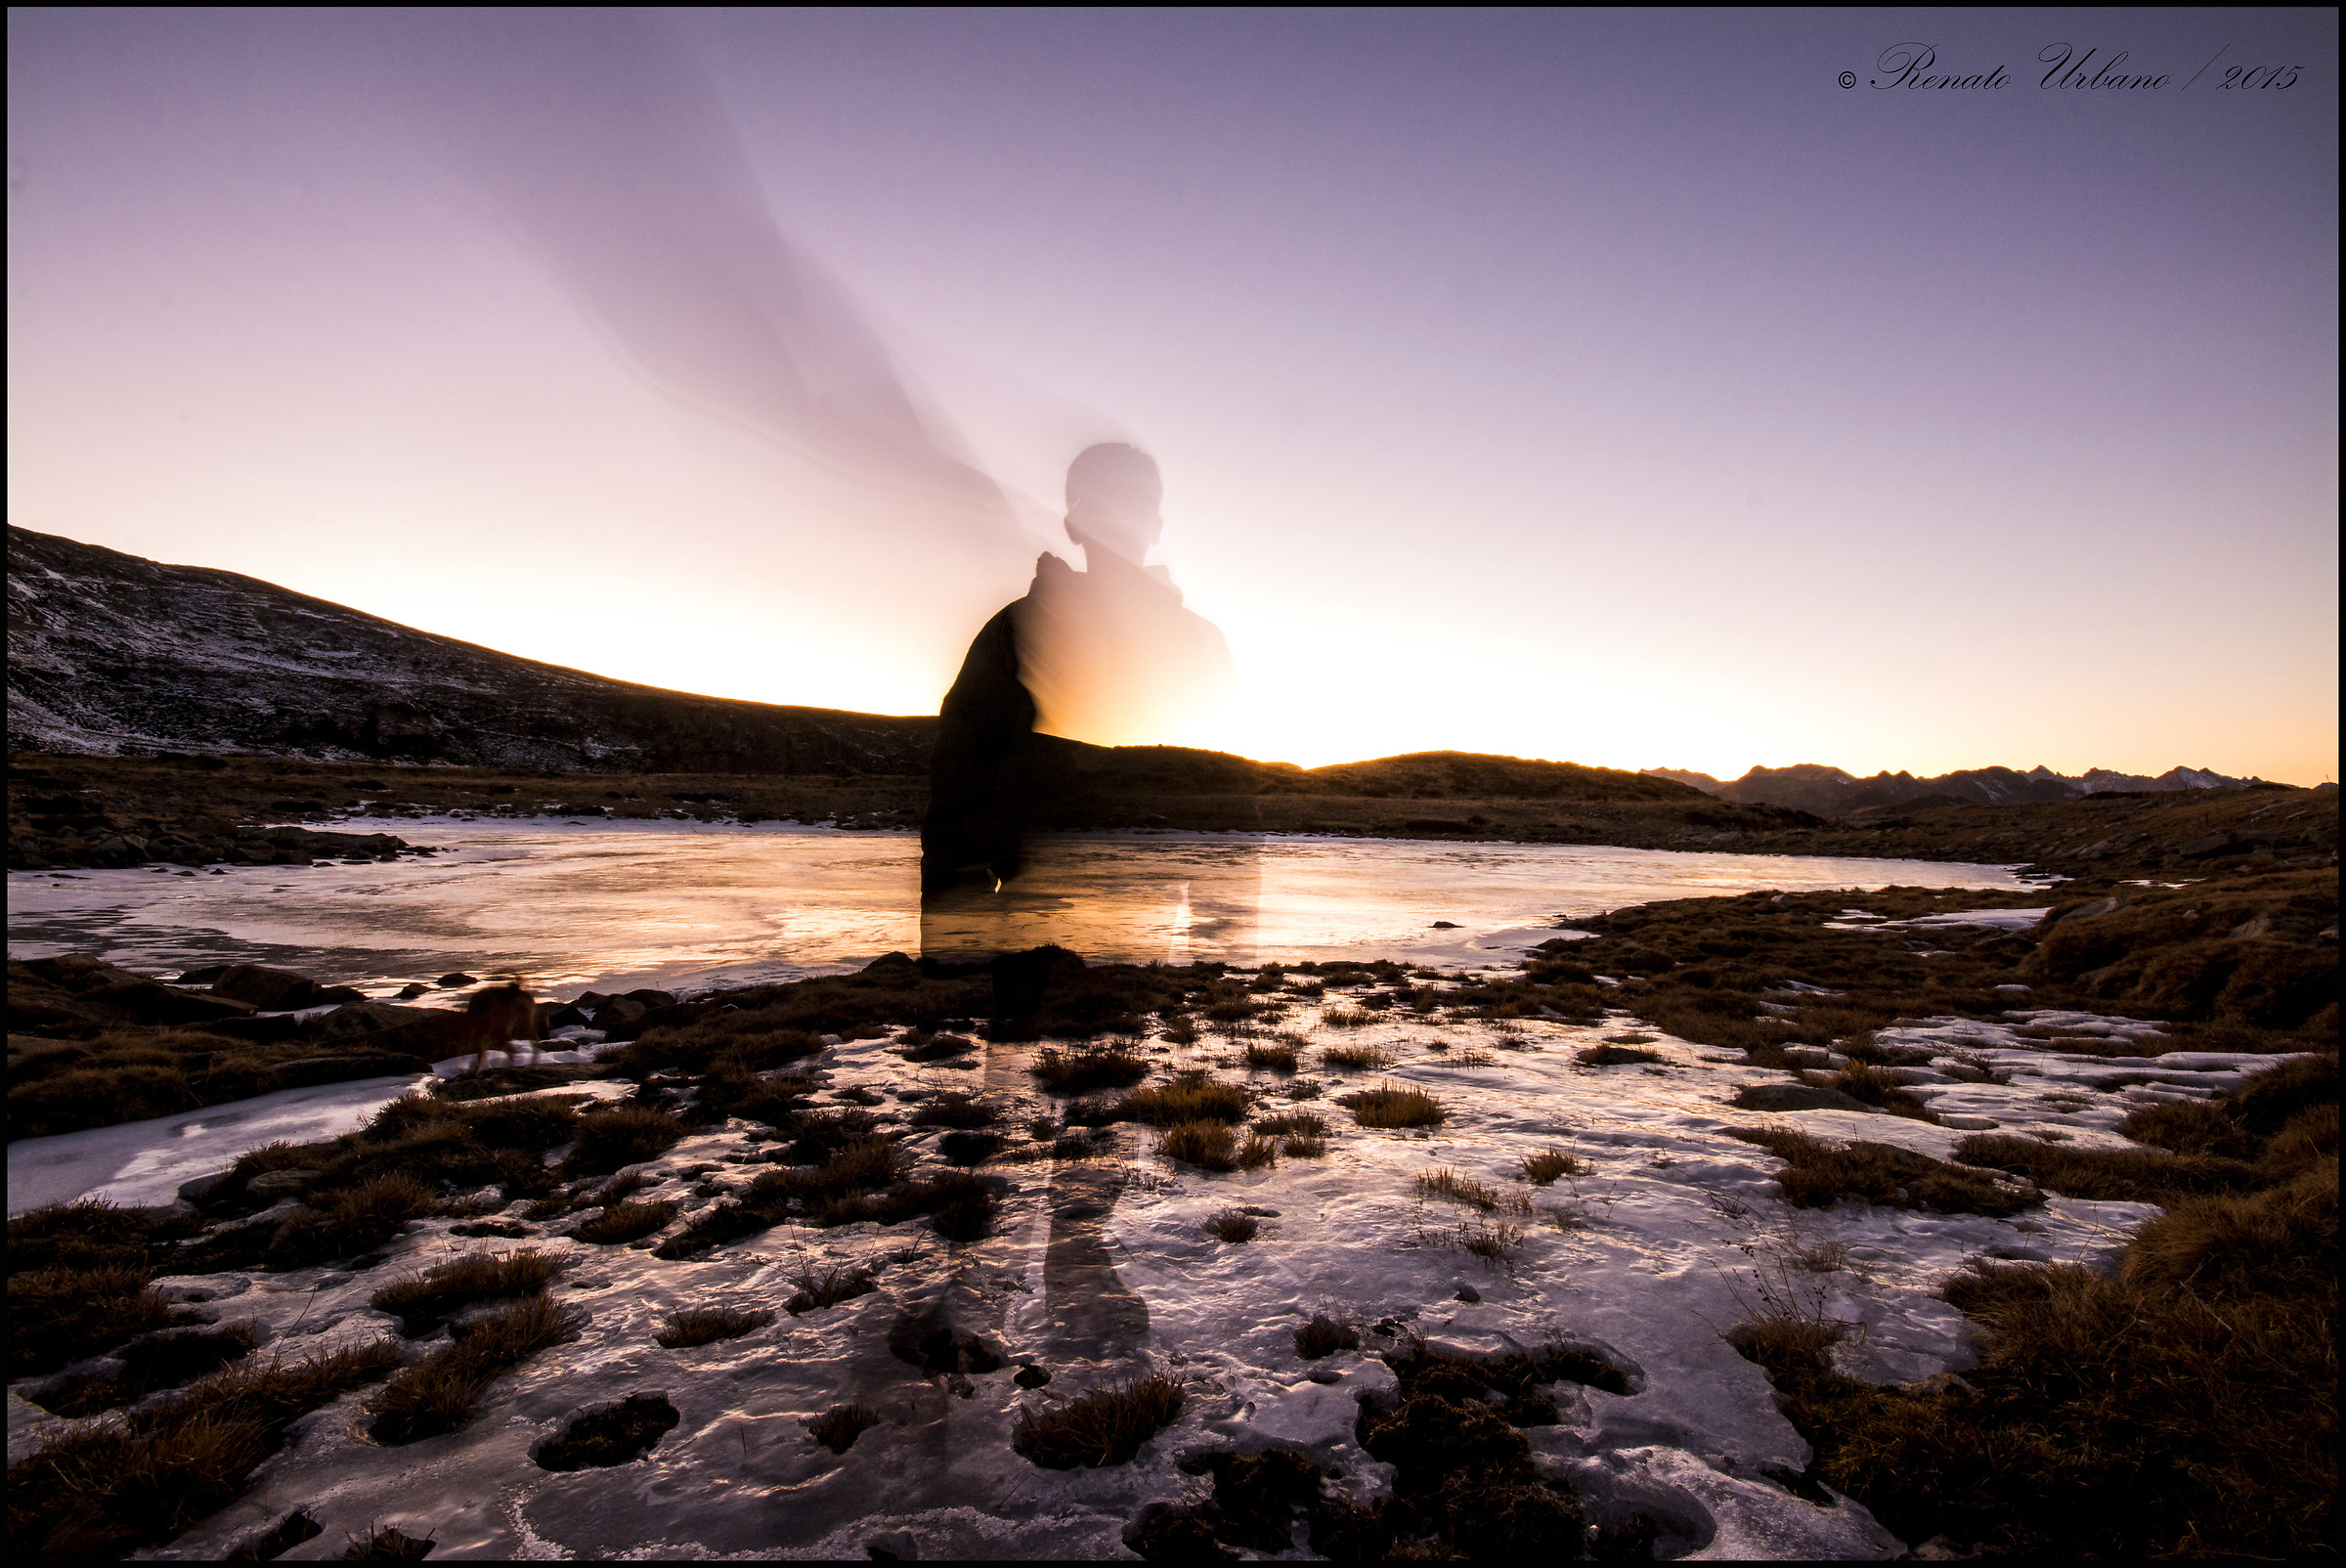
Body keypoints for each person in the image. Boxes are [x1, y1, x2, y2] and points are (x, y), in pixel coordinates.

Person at [921, 443, 1234, 892]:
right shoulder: (1014, 631)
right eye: (1104, 502)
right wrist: (955, 945)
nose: (1118, 518)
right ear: (1073, 523)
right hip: (1033, 924)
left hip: (1146, 924)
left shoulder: (1200, 643)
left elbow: (1229, 801)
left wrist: (1223, 942)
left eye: (1133, 502)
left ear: (1155, 524)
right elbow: (959, 780)